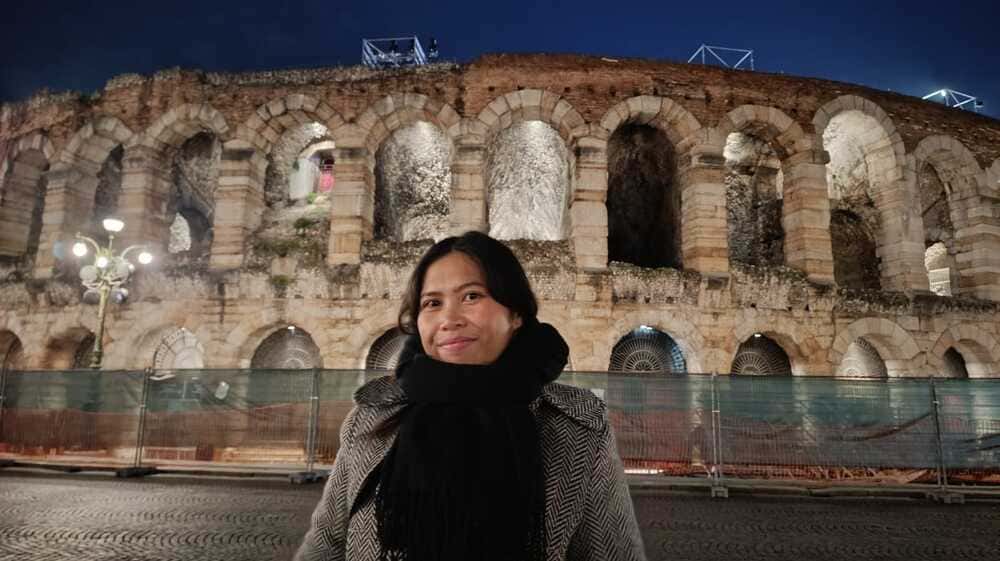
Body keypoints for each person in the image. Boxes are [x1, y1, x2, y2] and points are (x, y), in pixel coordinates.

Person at [294, 231, 646, 561]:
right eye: (432, 303)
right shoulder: (371, 419)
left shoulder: (578, 428)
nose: (449, 318)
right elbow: (327, 542)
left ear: (516, 313)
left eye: (472, 296)